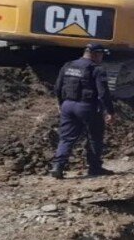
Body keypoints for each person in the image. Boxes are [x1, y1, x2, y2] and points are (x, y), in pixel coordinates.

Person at [50, 44, 116, 179]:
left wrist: (60, 103)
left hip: (68, 105)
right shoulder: (97, 69)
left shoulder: (68, 65)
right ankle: (94, 168)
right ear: (95, 54)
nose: (102, 57)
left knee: (66, 138)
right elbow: (103, 93)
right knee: (94, 137)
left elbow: (57, 87)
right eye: (102, 54)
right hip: (87, 107)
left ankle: (57, 167)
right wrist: (110, 111)